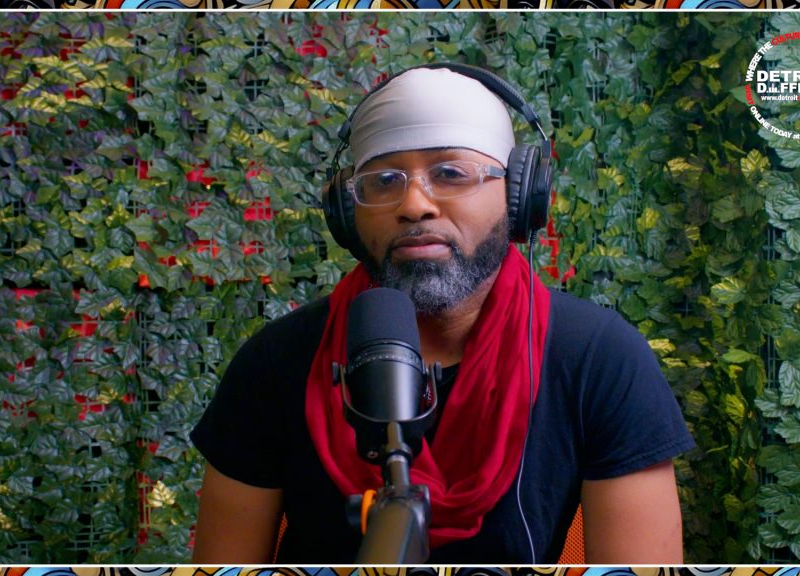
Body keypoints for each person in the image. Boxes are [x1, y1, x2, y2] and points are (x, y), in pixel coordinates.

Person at [190, 64, 694, 564]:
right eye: (383, 180)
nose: (414, 204)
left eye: (451, 173)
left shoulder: (599, 359)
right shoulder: (277, 361)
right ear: (348, 213)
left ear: (519, 196)